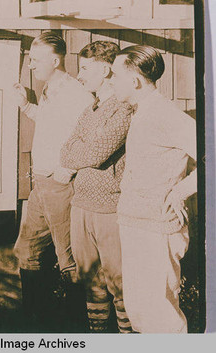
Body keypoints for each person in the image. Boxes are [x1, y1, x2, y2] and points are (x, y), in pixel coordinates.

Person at [110, 45, 197, 333]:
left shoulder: (164, 113)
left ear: (134, 81)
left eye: (114, 75)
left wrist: (180, 191)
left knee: (161, 315)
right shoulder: (142, 111)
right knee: (141, 312)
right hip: (136, 224)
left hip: (157, 229)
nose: (111, 81)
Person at [12, 33, 94, 331]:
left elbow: (89, 137)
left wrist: (67, 169)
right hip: (40, 184)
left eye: (35, 60)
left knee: (67, 257)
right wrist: (25, 105)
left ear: (55, 60)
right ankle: (37, 322)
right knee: (28, 252)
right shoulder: (49, 90)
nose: (30, 65)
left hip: (61, 186)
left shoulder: (78, 94)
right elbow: (50, 123)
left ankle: (76, 328)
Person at [60, 41, 133, 333]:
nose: (80, 76)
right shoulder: (90, 109)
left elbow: (94, 153)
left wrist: (81, 152)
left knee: (118, 283)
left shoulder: (123, 109)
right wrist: (81, 152)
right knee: (91, 283)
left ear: (105, 70)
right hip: (81, 206)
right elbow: (65, 151)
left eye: (85, 69)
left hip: (110, 210)